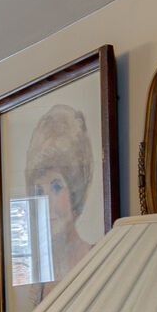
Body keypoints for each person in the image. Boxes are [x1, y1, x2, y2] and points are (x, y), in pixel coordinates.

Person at [23, 102, 96, 297]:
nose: (46, 203)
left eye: (56, 186)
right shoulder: (35, 281)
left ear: (75, 190)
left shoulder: (98, 263)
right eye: (39, 190)